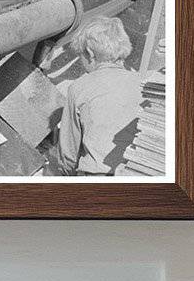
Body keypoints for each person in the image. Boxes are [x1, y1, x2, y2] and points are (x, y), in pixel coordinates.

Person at [52, 17, 143, 176]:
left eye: (80, 55)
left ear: (89, 53)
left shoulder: (78, 87)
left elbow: (68, 156)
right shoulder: (143, 83)